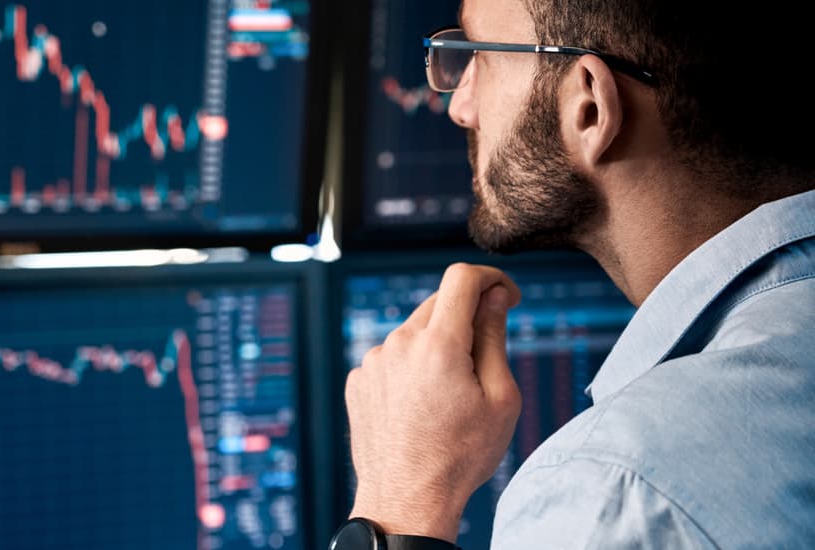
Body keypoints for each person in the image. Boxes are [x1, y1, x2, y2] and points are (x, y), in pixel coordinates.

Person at [331, 0, 815, 548]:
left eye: (474, 56)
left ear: (588, 106)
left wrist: (399, 509)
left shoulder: (617, 493)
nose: (459, 106)